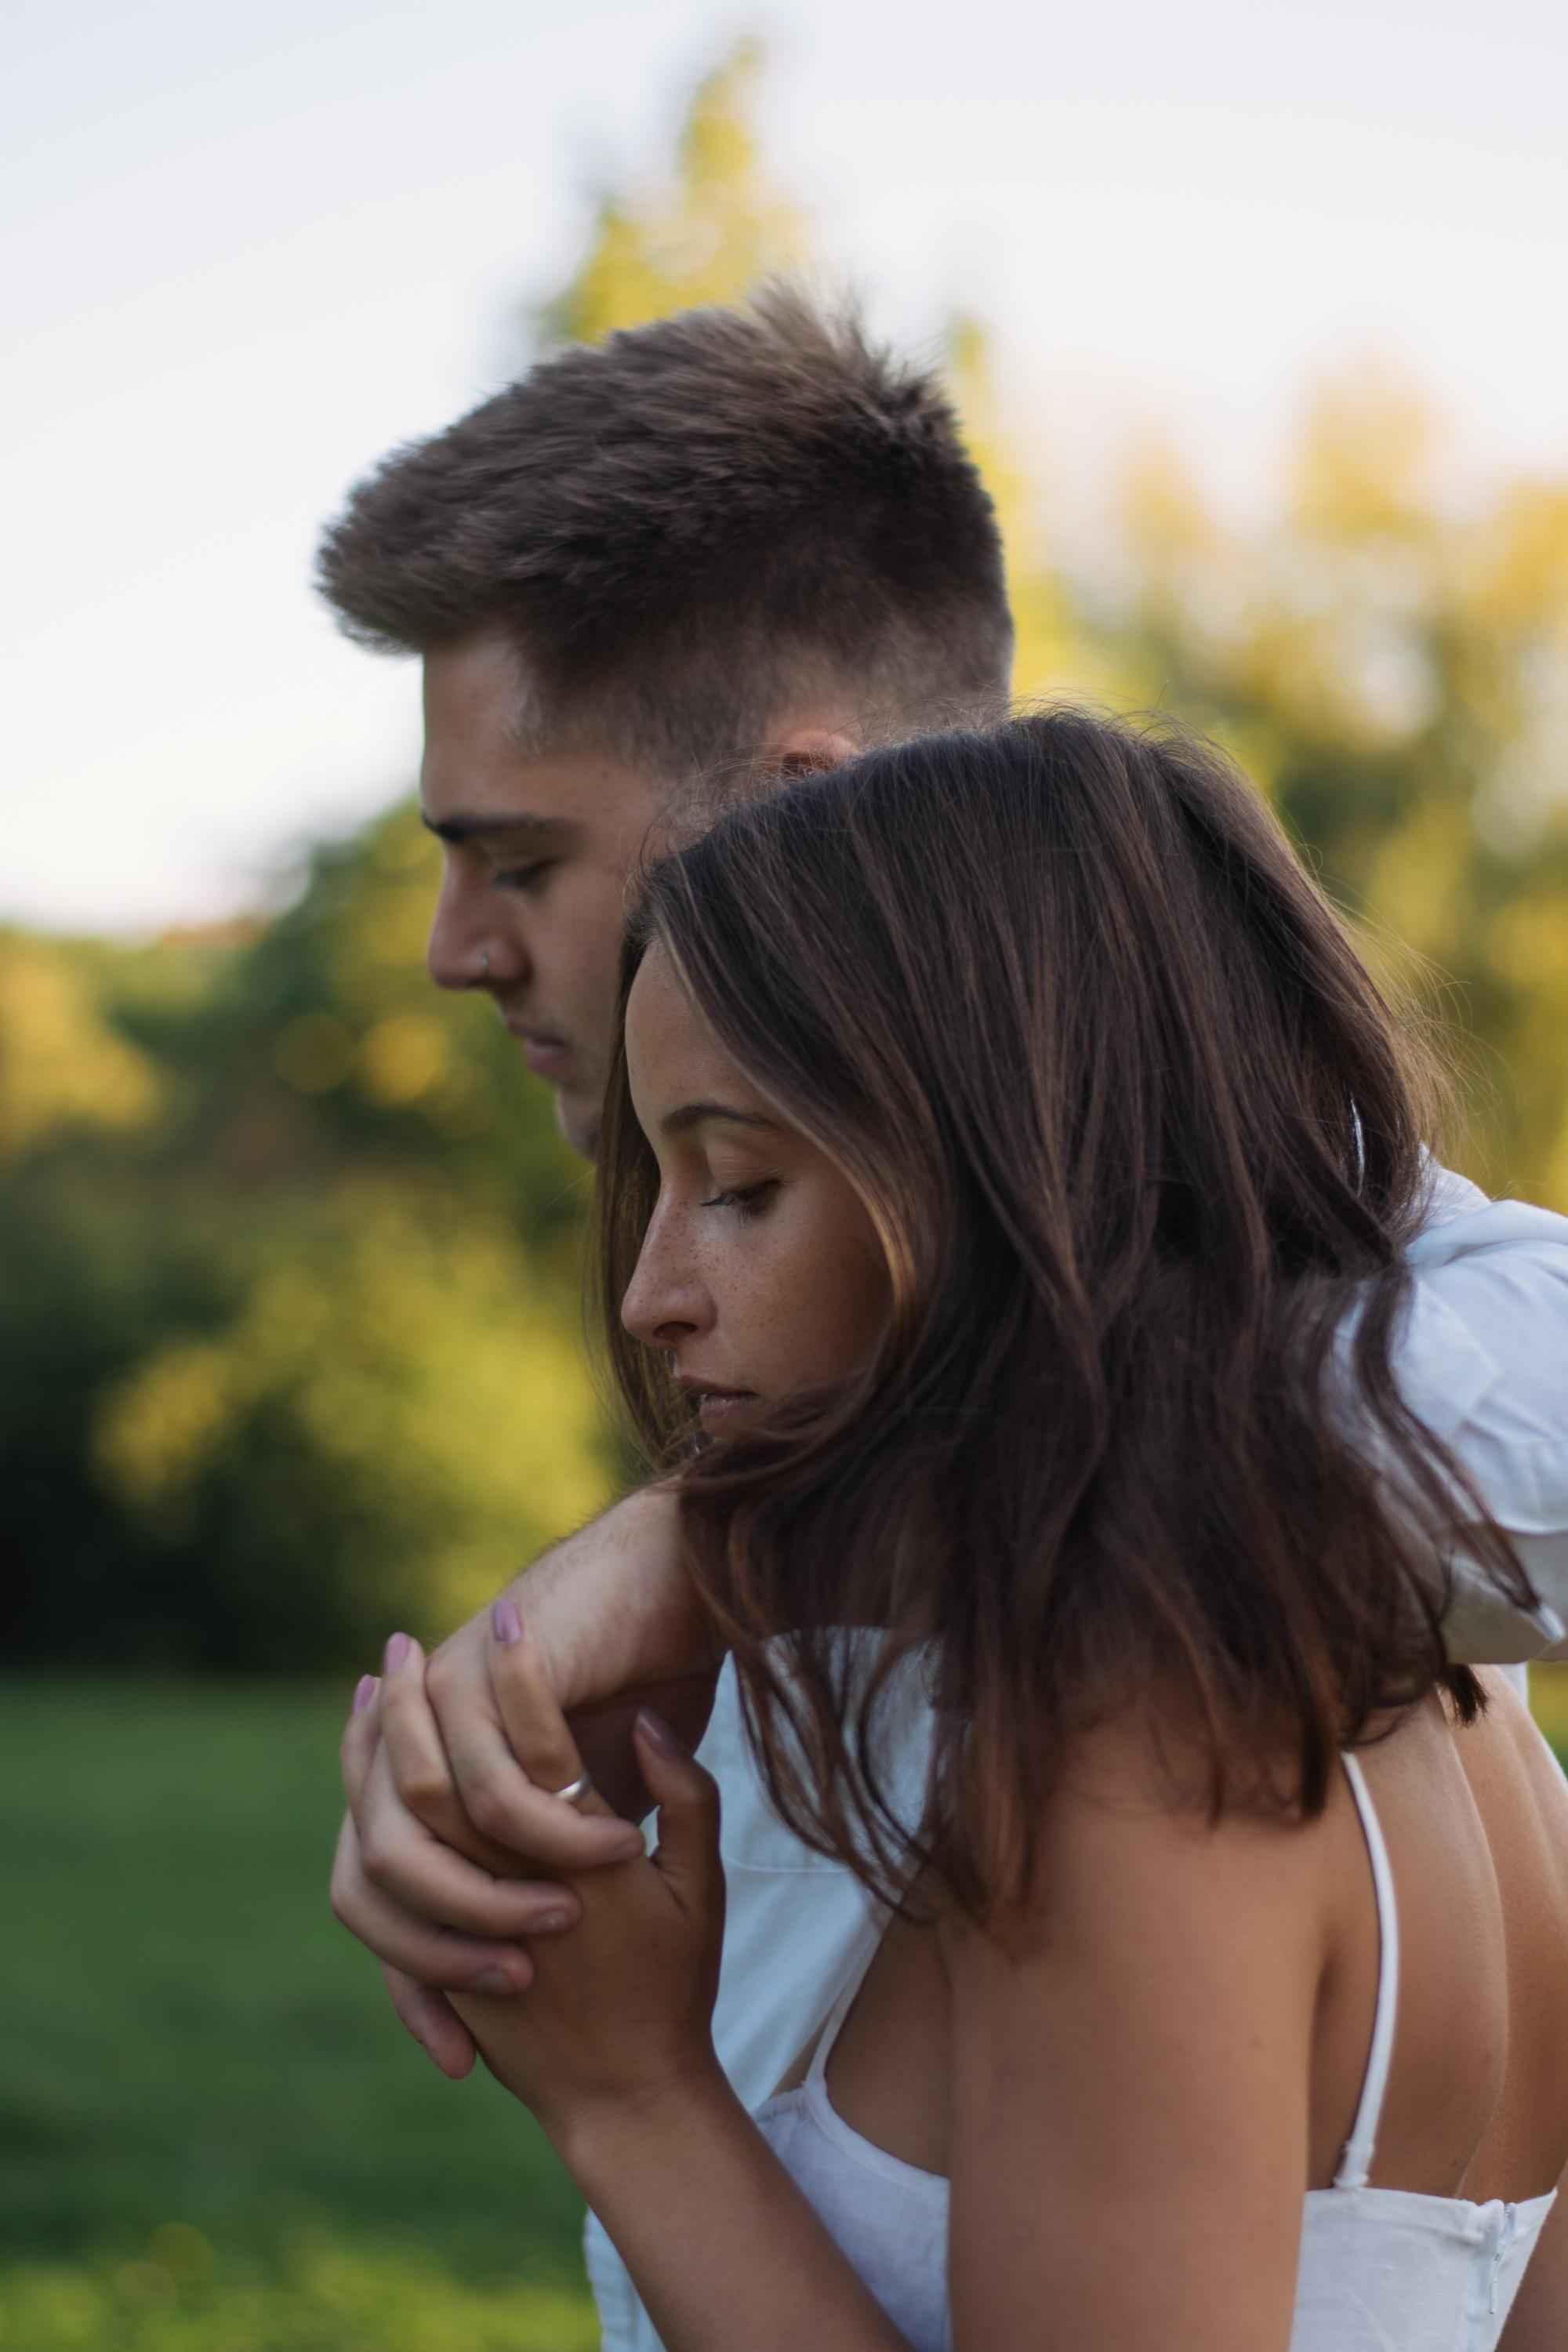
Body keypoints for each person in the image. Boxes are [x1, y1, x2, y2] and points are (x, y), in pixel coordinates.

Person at [318, 295, 1568, 2348]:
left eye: (517, 856)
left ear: (801, 810)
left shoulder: (1146, 1699)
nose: (457, 951)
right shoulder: (1382, 1635)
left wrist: (638, 2104)